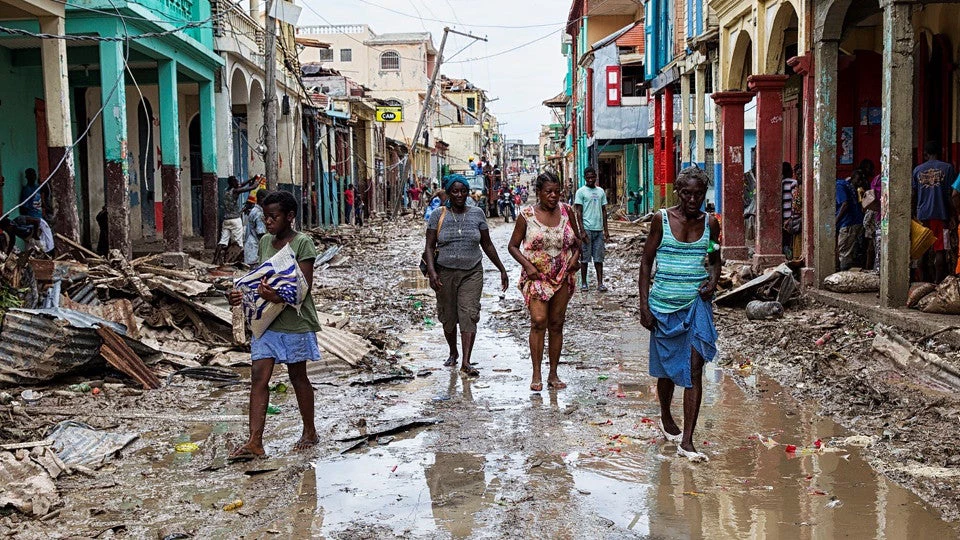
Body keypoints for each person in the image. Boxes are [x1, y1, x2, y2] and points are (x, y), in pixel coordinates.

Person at [227, 190, 321, 459]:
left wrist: (277, 295)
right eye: (266, 217)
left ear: (290, 217)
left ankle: (309, 431)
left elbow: (303, 287)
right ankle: (255, 442)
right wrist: (239, 292)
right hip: (267, 321)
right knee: (258, 377)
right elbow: (260, 277)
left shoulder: (303, 243)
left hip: (294, 321)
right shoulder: (266, 241)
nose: (268, 222)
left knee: (297, 376)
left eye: (273, 217)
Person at [638, 166, 720, 463]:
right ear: (678, 192)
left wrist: (713, 280)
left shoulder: (711, 223)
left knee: (694, 369)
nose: (693, 199)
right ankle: (665, 414)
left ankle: (687, 440)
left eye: (699, 194)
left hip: (696, 307)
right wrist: (643, 305)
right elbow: (646, 262)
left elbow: (714, 257)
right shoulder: (661, 219)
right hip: (663, 307)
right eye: (687, 193)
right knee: (667, 371)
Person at [424, 174, 509, 377]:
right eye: (455, 191)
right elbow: (429, 247)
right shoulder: (438, 214)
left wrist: (502, 269)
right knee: (448, 316)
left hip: (472, 271)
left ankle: (466, 361)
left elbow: (487, 244)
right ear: (448, 193)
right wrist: (432, 273)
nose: (460, 195)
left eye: (463, 191)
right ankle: (453, 352)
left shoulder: (477, 214)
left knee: (469, 313)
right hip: (444, 272)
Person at [507, 172, 581, 391]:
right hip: (537, 276)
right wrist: (528, 266)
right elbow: (512, 246)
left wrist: (575, 260)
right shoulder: (526, 215)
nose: (553, 196)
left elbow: (577, 243)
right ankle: (536, 373)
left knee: (557, 324)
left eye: (557, 191)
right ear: (538, 192)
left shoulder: (567, 212)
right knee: (539, 321)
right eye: (548, 191)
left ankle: (553, 374)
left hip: (562, 276)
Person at [913, 141, 955, 283]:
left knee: (922, 249)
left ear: (925, 154)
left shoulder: (917, 170)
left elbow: (913, 194)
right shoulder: (948, 168)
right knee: (941, 250)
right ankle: (937, 283)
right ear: (940, 152)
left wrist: (913, 214)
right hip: (941, 215)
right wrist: (953, 214)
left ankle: (923, 283)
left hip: (922, 215)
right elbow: (951, 194)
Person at [575, 167, 609, 292]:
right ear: (585, 177)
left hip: (598, 230)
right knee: (585, 259)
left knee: (599, 259)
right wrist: (582, 230)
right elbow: (578, 212)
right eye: (588, 177)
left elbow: (604, 211)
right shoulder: (581, 192)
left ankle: (600, 283)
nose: (590, 179)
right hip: (587, 229)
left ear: (595, 176)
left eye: (592, 177)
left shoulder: (600, 191)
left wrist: (606, 230)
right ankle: (584, 283)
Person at [217, 176, 258, 264]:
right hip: (235, 219)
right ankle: (238, 261)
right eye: (236, 181)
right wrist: (258, 182)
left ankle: (214, 260)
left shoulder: (226, 190)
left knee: (222, 241)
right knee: (239, 242)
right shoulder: (235, 191)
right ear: (233, 183)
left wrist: (251, 179)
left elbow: (241, 184)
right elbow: (252, 188)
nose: (238, 182)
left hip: (226, 220)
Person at [836, 170, 864, 271]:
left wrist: (836, 221)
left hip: (848, 223)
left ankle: (843, 275)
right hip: (856, 221)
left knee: (844, 252)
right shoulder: (849, 186)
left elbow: (845, 204)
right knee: (850, 251)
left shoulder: (839, 186)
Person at [859, 159, 880, 271]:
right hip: (875, 218)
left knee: (873, 247)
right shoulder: (875, 181)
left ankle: (872, 269)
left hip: (874, 217)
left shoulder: (874, 180)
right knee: (873, 247)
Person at [243, 190, 267, 265]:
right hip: (255, 248)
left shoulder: (254, 210)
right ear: (261, 198)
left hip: (250, 246)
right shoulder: (259, 214)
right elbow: (261, 233)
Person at [781, 162, 798, 258]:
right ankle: (791, 258)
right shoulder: (793, 183)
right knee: (791, 240)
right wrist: (791, 217)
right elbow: (795, 202)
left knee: (784, 241)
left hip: (781, 218)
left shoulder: (779, 184)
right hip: (791, 218)